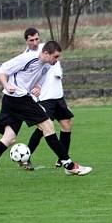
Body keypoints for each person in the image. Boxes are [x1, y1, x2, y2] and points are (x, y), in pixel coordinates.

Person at [0, 41, 92, 188]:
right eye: (55, 56)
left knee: (9, 138)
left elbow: (40, 78)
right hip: (18, 98)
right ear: (46, 53)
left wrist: (38, 86)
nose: (57, 60)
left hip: (12, 100)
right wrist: (6, 85)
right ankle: (69, 165)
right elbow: (2, 70)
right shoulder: (27, 58)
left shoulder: (47, 65)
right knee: (48, 126)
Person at [18, 28, 75, 170]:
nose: (35, 42)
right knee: (43, 129)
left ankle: (62, 159)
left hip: (58, 95)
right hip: (44, 98)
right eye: (31, 40)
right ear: (26, 41)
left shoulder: (48, 49)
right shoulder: (25, 57)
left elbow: (56, 68)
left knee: (67, 124)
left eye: (37, 39)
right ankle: (26, 158)